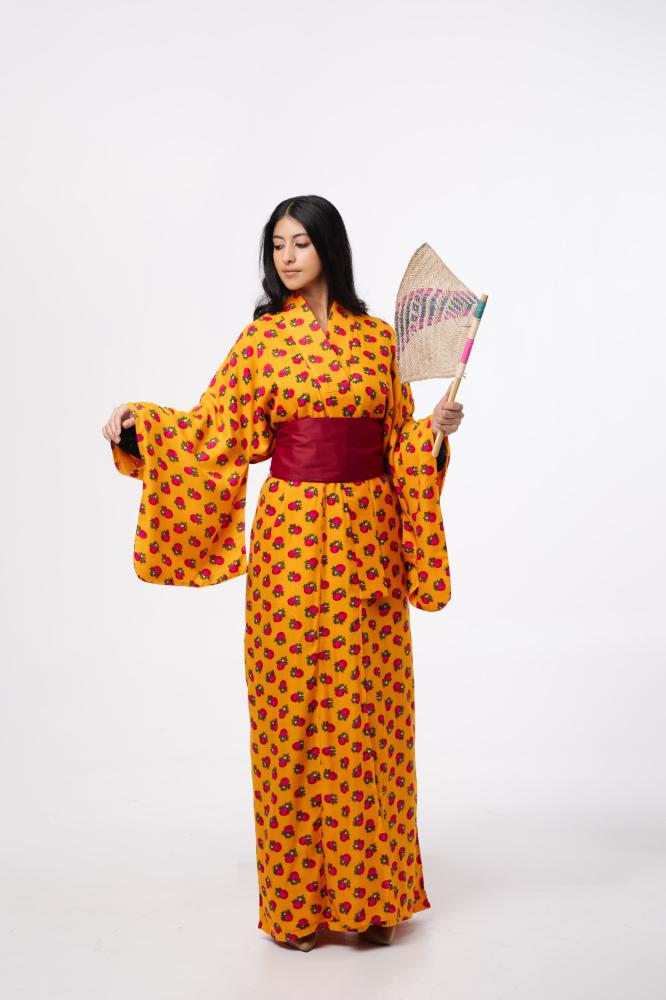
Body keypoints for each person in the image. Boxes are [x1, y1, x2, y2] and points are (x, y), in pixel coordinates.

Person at [102, 195, 464, 952]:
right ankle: (298, 909)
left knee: (369, 715)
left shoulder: (378, 341)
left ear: (330, 246)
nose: (288, 257)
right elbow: (210, 432)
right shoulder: (261, 342)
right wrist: (141, 424)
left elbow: (396, 445)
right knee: (289, 713)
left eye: (300, 242)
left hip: (367, 542)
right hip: (291, 545)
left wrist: (429, 434)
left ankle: (373, 900)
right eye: (277, 246)